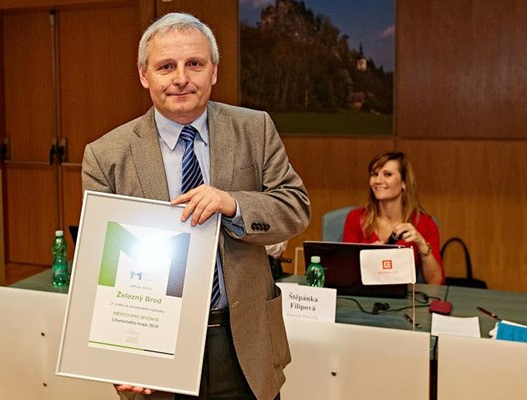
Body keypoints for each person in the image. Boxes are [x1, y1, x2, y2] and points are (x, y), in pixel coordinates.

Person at [81, 12, 311, 400]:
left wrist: (233, 204)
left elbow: (295, 207)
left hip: (244, 343)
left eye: (194, 64)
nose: (181, 78)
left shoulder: (254, 129)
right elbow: (99, 262)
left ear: (214, 71)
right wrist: (116, 354)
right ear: (144, 75)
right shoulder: (107, 156)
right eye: (166, 66)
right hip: (154, 346)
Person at [342, 151, 444, 285]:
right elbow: (345, 274)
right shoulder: (356, 218)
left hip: (405, 295)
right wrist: (368, 256)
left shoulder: (425, 223)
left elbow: (436, 282)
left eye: (387, 174)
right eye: (374, 174)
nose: (378, 181)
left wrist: (421, 244)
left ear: (404, 183)